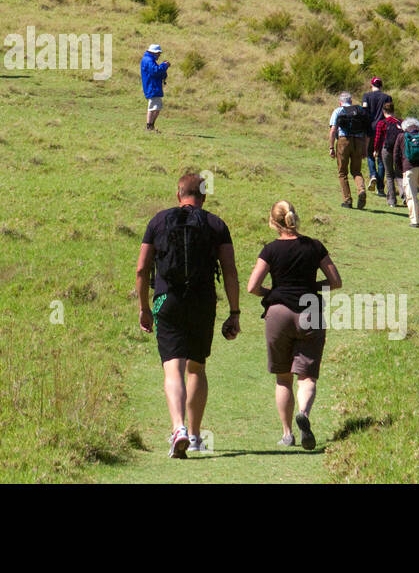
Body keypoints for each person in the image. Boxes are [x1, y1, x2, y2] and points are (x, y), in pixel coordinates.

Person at [136, 173, 241, 458]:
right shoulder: (216, 224)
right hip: (202, 301)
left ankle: (178, 427)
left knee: (173, 367)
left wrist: (144, 308)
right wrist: (234, 312)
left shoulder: (158, 221)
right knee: (196, 367)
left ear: (178, 195)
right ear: (204, 196)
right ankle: (195, 436)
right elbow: (230, 271)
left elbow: (142, 269)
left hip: (166, 301)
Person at [247, 201, 343, 450]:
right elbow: (335, 282)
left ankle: (287, 433)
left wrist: (273, 291)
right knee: (307, 376)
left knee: (282, 378)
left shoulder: (270, 250)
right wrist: (312, 287)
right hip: (309, 311)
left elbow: (252, 287)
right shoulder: (314, 246)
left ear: (273, 222)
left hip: (278, 313)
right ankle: (305, 415)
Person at [329, 92, 371, 209]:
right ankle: (361, 190)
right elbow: (368, 133)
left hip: (343, 141)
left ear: (340, 102)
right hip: (359, 141)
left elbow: (333, 130)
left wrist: (331, 147)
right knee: (356, 171)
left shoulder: (338, 111)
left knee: (342, 172)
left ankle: (347, 200)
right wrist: (365, 149)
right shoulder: (360, 111)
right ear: (351, 101)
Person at [362, 77, 393, 193]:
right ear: (381, 86)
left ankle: (373, 175)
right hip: (384, 128)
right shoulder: (387, 97)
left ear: (372, 85)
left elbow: (364, 110)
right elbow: (390, 113)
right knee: (381, 158)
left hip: (370, 128)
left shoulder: (366, 96)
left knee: (370, 154)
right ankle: (380, 188)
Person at [373, 102, 405, 208]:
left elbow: (378, 139)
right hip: (400, 151)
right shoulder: (401, 122)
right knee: (400, 174)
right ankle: (405, 196)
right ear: (393, 111)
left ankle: (392, 200)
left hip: (386, 150)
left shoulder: (382, 123)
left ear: (383, 112)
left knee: (389, 175)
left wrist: (375, 150)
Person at [141, 44, 169, 131]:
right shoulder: (149, 60)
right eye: (158, 53)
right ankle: (149, 127)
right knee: (153, 107)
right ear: (154, 53)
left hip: (153, 86)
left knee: (156, 107)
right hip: (152, 86)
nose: (159, 55)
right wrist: (164, 65)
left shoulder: (149, 59)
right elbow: (155, 71)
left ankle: (150, 126)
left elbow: (156, 71)